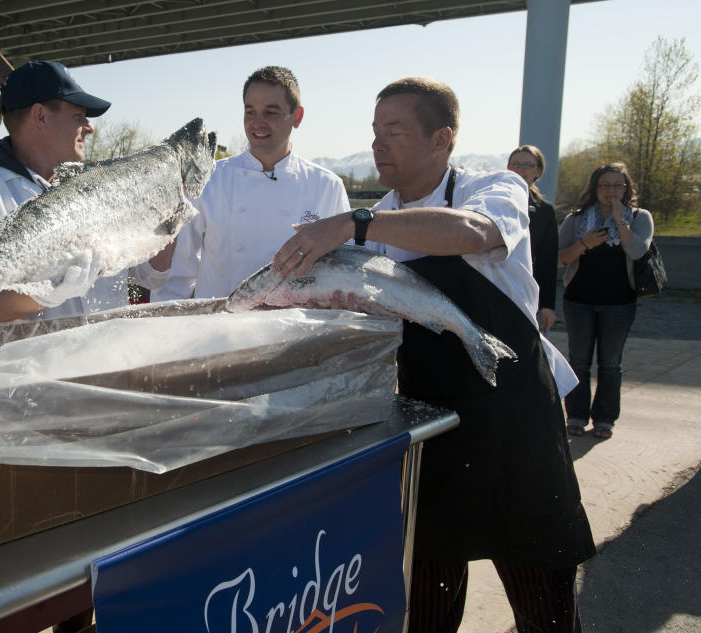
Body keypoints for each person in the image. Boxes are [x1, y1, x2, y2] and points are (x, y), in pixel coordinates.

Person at [271, 77, 595, 633]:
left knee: (544, 604)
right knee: (425, 605)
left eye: (394, 131)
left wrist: (355, 222)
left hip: (514, 423)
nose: (378, 144)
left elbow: (473, 232)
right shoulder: (374, 229)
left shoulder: (491, 187)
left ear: (442, 138)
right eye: (374, 132)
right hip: (429, 428)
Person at [0, 61, 174, 325]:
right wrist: (57, 288)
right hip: (34, 367)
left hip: (110, 359)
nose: (89, 127)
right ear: (40, 116)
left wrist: (168, 214)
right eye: (78, 116)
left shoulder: (97, 190)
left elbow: (148, 275)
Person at [155, 65, 349, 300]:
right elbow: (181, 269)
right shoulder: (210, 180)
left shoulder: (327, 186)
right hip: (221, 328)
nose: (258, 123)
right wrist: (166, 328)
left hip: (296, 328)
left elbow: (343, 270)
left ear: (297, 117)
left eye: (271, 112)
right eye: (250, 112)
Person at [558, 162, 653, 441]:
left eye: (617, 185)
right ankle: (576, 414)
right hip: (579, 301)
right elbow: (561, 259)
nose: (611, 191)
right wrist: (585, 243)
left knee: (610, 363)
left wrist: (619, 219)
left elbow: (636, 251)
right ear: (595, 188)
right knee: (579, 361)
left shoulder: (639, 217)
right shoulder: (576, 220)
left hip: (619, 303)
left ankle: (605, 418)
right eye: (605, 185)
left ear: (626, 188)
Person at [508, 145, 558, 331]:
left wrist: (547, 305)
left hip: (523, 289)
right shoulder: (488, 199)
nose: (520, 169)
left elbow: (547, 261)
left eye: (528, 165)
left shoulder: (545, 211)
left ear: (538, 171)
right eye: (515, 164)